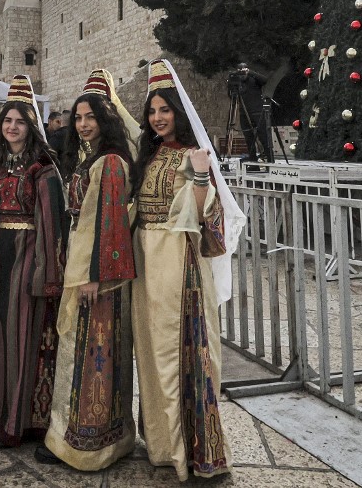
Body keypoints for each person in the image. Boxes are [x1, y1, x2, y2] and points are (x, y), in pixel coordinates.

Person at [130, 59, 245, 481]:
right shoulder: (149, 153)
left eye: (165, 110)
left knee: (180, 352)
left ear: (179, 112)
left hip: (179, 261)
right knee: (152, 352)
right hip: (145, 262)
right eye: (152, 111)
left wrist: (199, 175)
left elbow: (204, 220)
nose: (158, 118)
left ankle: (190, 450)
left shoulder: (194, 156)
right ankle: (162, 444)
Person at [36, 70, 139, 469]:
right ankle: (84, 436)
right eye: (78, 117)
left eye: (90, 117)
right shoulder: (91, 158)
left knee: (90, 355)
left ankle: (86, 444)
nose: (82, 124)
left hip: (97, 275)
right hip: (85, 262)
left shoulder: (110, 162)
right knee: (85, 354)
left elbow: (110, 222)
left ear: (106, 119)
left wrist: (95, 275)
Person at [0, 75, 68, 448]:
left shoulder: (43, 168)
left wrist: (48, 274)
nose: (13, 127)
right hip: (1, 254)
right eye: (7, 121)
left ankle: (22, 420)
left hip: (31, 253)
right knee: (1, 330)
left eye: (20, 122)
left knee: (24, 334)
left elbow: (52, 222)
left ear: (32, 127)